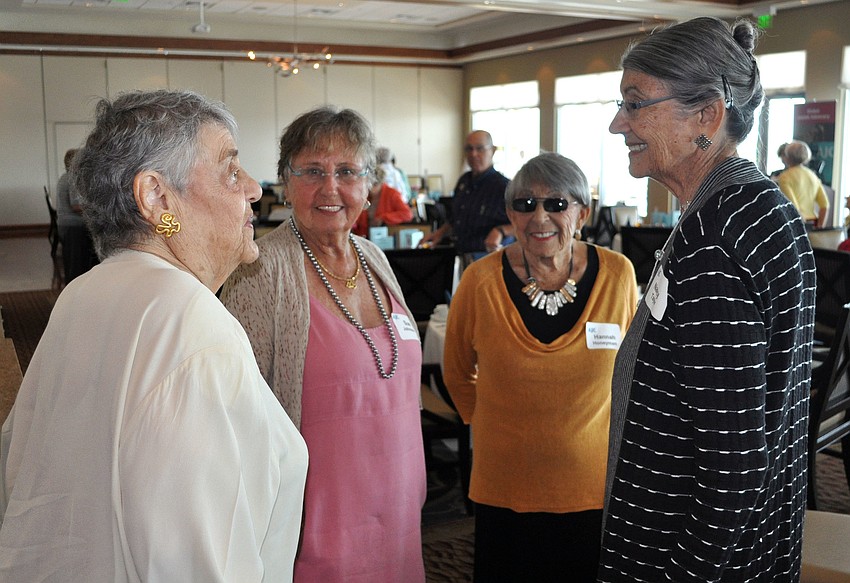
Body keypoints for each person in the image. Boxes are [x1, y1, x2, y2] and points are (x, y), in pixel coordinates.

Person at [0, 89, 308, 580]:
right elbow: (199, 559)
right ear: (157, 197)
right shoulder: (191, 322)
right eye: (230, 169)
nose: (253, 188)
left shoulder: (82, 293)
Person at [599, 17, 815, 582]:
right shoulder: (758, 207)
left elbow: (733, 470)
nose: (617, 123)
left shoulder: (714, 240)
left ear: (707, 116)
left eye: (635, 103)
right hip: (754, 550)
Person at [221, 106, 426, 581]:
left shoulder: (373, 257)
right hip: (318, 519)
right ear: (285, 183)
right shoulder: (261, 270)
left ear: (369, 185)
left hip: (400, 503)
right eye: (313, 171)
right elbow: (239, 413)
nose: (331, 188)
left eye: (348, 172)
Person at [443, 152, 637, 582]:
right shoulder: (479, 280)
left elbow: (630, 373)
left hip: (589, 485)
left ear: (583, 212)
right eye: (525, 205)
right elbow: (456, 372)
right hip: (505, 482)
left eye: (557, 204)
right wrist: (497, 425)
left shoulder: (618, 275)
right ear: (510, 214)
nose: (540, 217)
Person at [420, 130, 512, 257]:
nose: (474, 154)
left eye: (480, 149)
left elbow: (525, 225)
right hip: (460, 254)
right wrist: (439, 233)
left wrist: (501, 231)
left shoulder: (505, 187)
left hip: (488, 258)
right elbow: (455, 219)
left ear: (493, 150)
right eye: (469, 149)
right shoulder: (464, 182)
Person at [55, 147, 98, 283]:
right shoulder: (74, 178)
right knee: (77, 267)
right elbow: (76, 206)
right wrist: (96, 210)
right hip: (75, 227)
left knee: (73, 264)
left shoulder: (65, 177)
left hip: (66, 226)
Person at [777, 139, 830, 227]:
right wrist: (820, 227)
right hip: (813, 223)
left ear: (787, 157)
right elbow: (825, 205)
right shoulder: (813, 176)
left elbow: (793, 207)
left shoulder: (784, 177)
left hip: (796, 224)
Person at [352, 165, 413, 237]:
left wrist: (384, 218)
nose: (371, 189)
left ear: (381, 183)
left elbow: (407, 214)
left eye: (375, 185)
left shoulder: (392, 194)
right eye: (369, 185)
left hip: (384, 236)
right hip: (364, 236)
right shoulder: (365, 194)